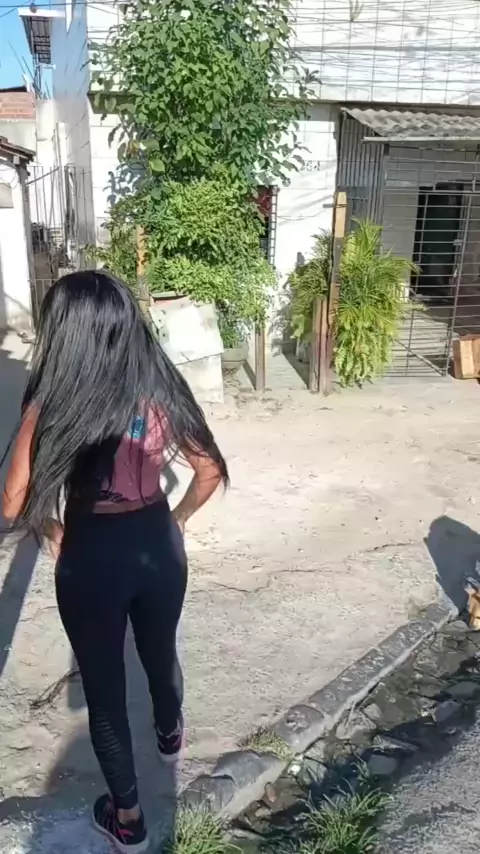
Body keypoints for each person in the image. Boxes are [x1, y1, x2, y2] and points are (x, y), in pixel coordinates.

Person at [2, 271, 228, 854]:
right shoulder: (161, 386)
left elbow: (12, 502)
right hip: (157, 542)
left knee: (103, 691)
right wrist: (175, 520)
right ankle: (169, 734)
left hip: (91, 555)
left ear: (67, 334)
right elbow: (210, 471)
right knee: (160, 649)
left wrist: (51, 527)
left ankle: (127, 820)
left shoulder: (52, 401)